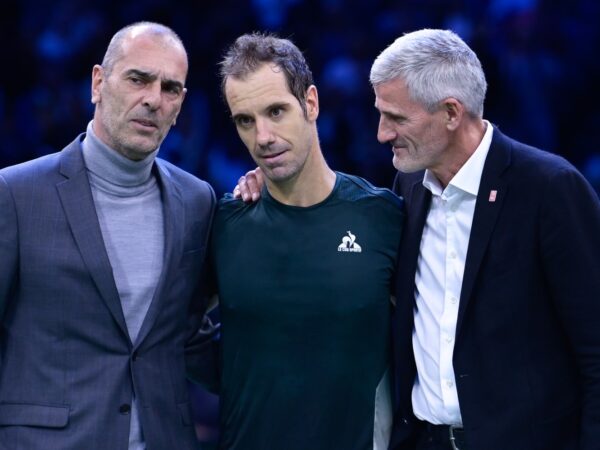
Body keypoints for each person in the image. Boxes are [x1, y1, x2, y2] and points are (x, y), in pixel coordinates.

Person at [237, 28, 600, 450]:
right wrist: (275, 184)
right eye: (380, 113)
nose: (381, 133)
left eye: (396, 118)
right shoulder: (407, 186)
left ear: (450, 112)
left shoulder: (549, 189)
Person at [0, 22, 216, 450]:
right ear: (98, 82)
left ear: (180, 105)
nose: (153, 99)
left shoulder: (197, 201)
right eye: (138, 79)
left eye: (170, 89)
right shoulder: (15, 193)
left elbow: (188, 334)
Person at [210, 33, 404, 450]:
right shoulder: (226, 223)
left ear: (311, 103)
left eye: (276, 111)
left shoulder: (383, 217)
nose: (262, 136)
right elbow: (178, 331)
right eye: (246, 120)